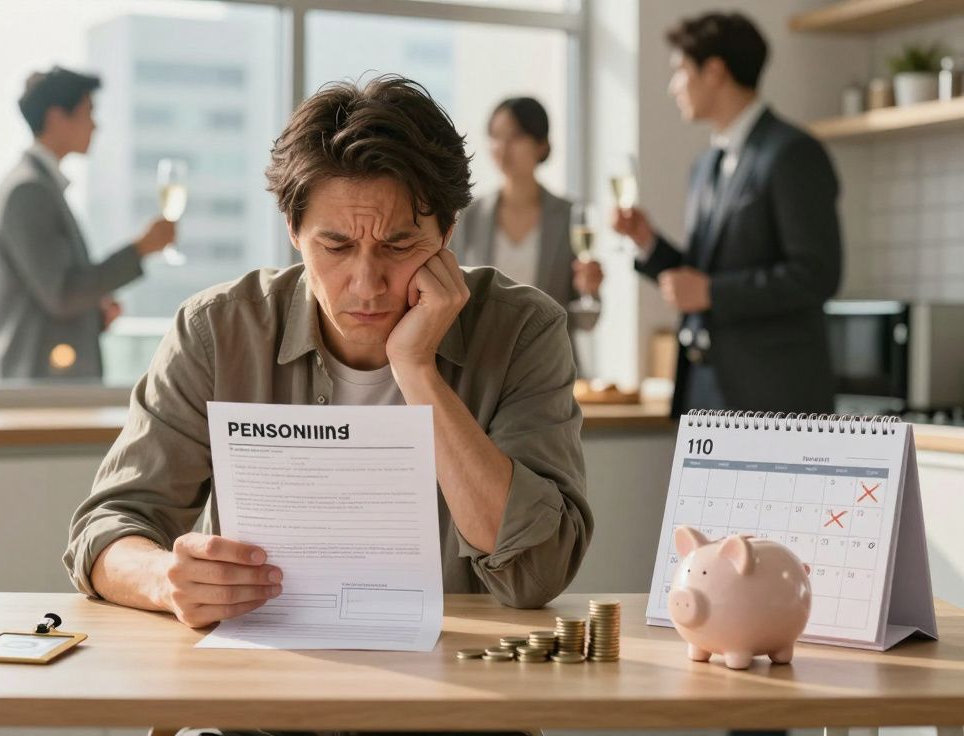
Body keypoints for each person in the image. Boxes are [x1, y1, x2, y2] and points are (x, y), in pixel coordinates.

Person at [64, 75, 592, 631]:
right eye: (336, 246)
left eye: (399, 246)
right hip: (261, 702)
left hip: (460, 695)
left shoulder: (524, 330)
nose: (367, 285)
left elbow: (538, 571)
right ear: (293, 230)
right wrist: (166, 579)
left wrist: (416, 370)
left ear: (448, 232)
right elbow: (106, 528)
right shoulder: (217, 331)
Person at [612, 12, 841, 416]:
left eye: (680, 71)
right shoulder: (704, 166)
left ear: (714, 71)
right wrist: (647, 242)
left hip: (777, 400)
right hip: (707, 395)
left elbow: (816, 273)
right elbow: (703, 274)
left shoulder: (792, 153)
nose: (673, 87)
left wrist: (712, 293)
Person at [0, 66, 175, 380]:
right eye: (88, 113)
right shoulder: (29, 191)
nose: (95, 125)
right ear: (57, 117)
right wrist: (140, 249)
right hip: (41, 384)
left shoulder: (39, 186)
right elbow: (61, 294)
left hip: (48, 377)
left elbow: (52, 291)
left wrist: (93, 315)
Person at [449, 97, 604, 341]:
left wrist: (591, 292)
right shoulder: (468, 217)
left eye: (515, 136)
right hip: (482, 360)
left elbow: (586, 322)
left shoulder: (567, 216)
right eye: (496, 136)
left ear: (541, 144)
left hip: (550, 363)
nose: (503, 146)